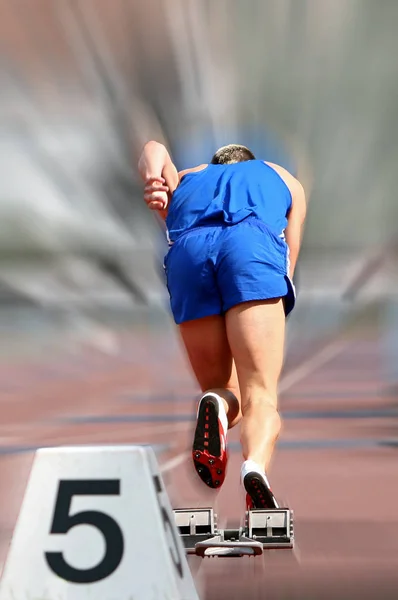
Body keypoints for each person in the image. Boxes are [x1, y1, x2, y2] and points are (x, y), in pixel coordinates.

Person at [138, 141, 307, 509]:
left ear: (212, 164)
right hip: (251, 249)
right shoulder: (283, 178)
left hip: (188, 257)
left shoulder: (187, 177)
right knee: (260, 393)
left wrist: (153, 178)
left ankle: (214, 402)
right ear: (252, 161)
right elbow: (289, 261)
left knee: (220, 387)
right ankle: (255, 467)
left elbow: (153, 147)